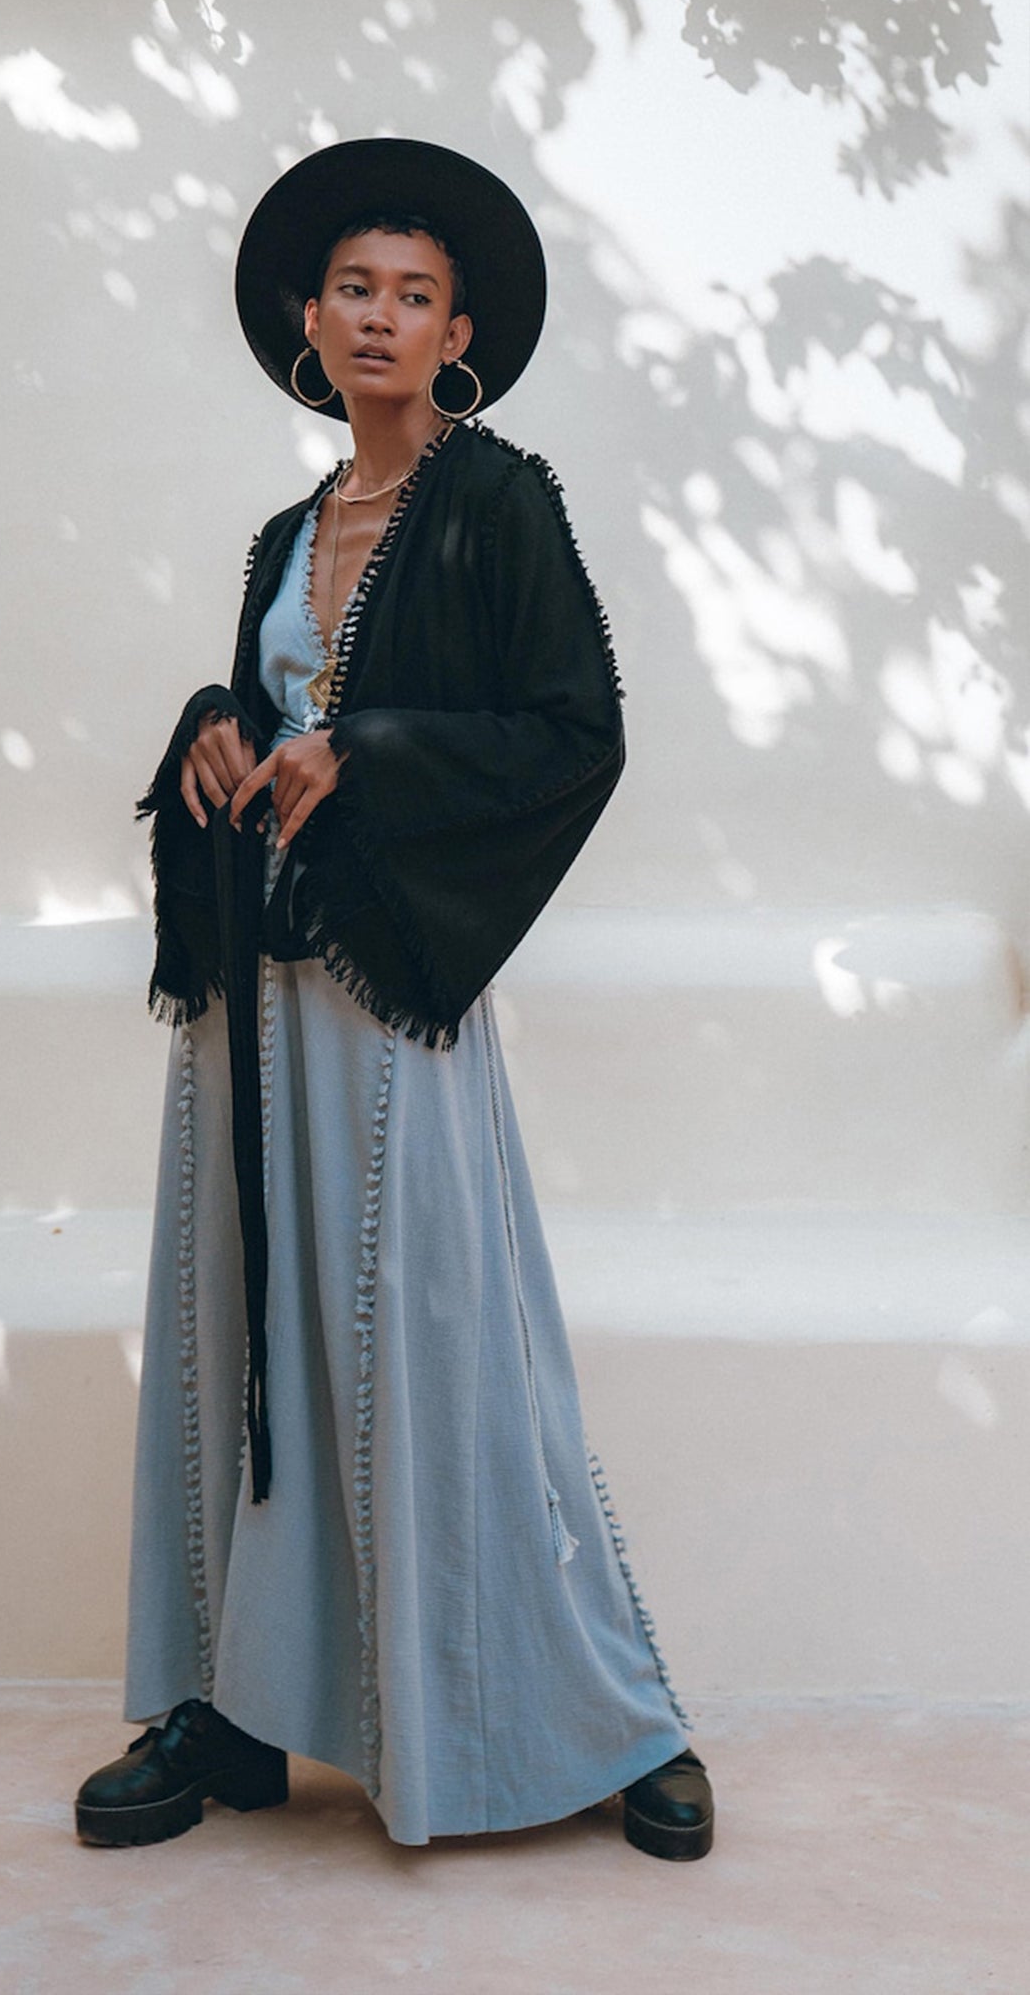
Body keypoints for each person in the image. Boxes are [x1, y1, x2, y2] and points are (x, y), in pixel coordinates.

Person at [75, 138, 714, 1858]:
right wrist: (216, 720)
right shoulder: (289, 530)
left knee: (436, 1347)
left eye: (412, 295)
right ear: (307, 316)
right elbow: (276, 717)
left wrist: (359, 749)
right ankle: (224, 1711)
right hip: (249, 1009)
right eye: (353, 287)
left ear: (457, 334)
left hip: (384, 1009)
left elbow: (570, 734)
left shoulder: (498, 501)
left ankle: (595, 1717)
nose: (378, 315)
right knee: (239, 1343)